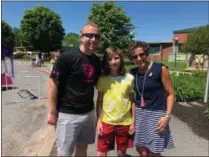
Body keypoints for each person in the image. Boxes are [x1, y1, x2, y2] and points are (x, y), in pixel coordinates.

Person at [48, 23, 102, 157]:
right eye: (89, 35)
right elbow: (53, 83)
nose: (93, 39)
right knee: (64, 153)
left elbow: (99, 86)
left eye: (97, 36)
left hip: (89, 113)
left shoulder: (96, 61)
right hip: (68, 114)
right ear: (81, 37)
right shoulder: (67, 57)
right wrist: (52, 112)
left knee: (83, 149)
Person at [128, 41, 175, 156]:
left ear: (147, 54)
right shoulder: (133, 73)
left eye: (141, 54)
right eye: (135, 56)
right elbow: (133, 99)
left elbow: (171, 94)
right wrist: (132, 121)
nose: (139, 58)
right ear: (132, 59)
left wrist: (167, 117)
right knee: (141, 150)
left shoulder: (160, 69)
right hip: (139, 115)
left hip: (157, 116)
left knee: (155, 151)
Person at [96, 47, 135, 157]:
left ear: (121, 59)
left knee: (121, 152)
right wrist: (98, 121)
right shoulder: (102, 79)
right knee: (101, 151)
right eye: (110, 59)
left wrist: (133, 122)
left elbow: (132, 101)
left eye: (116, 58)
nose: (113, 61)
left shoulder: (129, 78)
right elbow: (99, 101)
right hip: (106, 121)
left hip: (124, 122)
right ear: (106, 62)